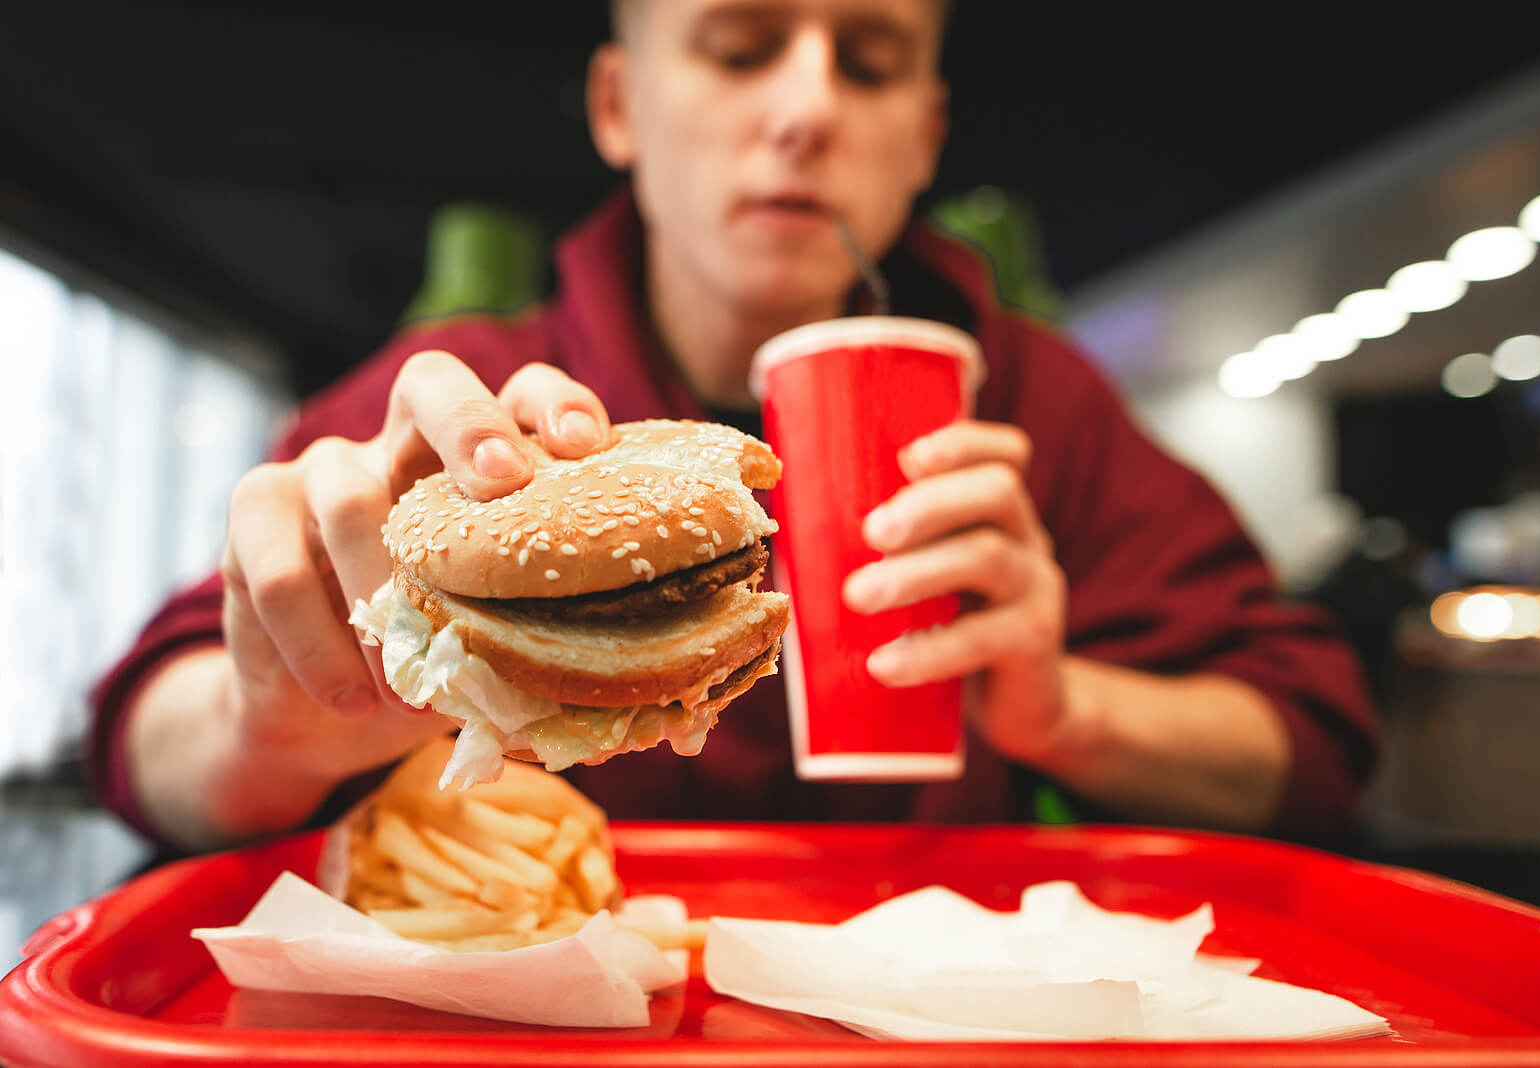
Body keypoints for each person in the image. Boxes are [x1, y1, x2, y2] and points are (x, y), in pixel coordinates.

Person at [90, 0, 1377, 854]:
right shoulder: (451, 410)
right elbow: (143, 741)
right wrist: (278, 722)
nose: (807, 110)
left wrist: (1067, 712)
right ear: (617, 107)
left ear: (922, 135)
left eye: (867, 64)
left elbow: (1311, 751)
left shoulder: (1035, 403)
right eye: (738, 46)